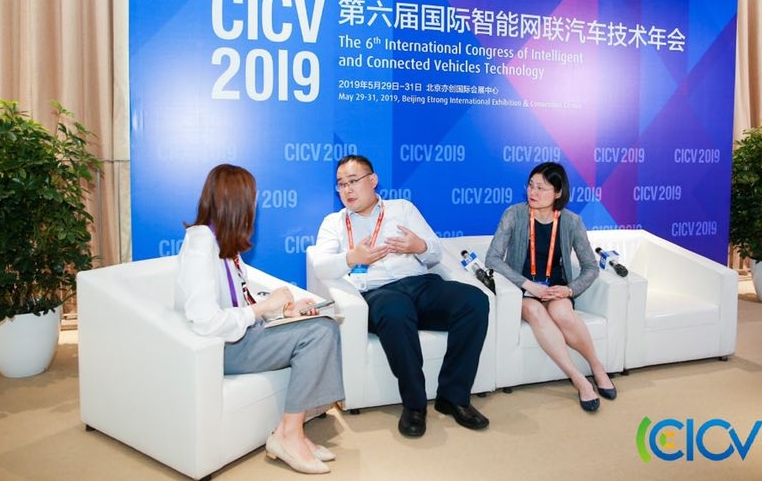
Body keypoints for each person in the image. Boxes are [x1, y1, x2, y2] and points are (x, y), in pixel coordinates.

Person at [175, 164, 344, 474]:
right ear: (237, 203)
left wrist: (283, 311)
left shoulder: (221, 243)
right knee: (320, 332)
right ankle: (288, 435)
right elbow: (207, 322)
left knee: (324, 326)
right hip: (223, 348)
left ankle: (294, 432)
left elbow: (241, 300)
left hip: (242, 337)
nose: (255, 207)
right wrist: (265, 308)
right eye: (252, 199)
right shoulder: (200, 245)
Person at [311, 155, 490, 437]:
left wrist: (418, 246)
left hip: (420, 284)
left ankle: (453, 397)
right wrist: (352, 257)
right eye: (341, 184)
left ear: (373, 180)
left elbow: (435, 251)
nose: (347, 190)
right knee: (396, 310)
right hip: (377, 292)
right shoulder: (334, 223)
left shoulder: (402, 208)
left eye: (353, 181)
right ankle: (415, 405)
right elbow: (320, 266)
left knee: (474, 300)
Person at [485, 161, 617, 412]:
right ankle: (578, 379)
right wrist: (527, 285)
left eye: (541, 188)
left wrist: (569, 290)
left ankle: (597, 367)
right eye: (531, 186)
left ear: (558, 192)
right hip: (523, 289)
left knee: (562, 313)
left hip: (556, 288)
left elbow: (591, 267)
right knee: (535, 311)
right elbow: (492, 258)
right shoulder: (514, 214)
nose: (533, 192)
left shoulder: (571, 221)